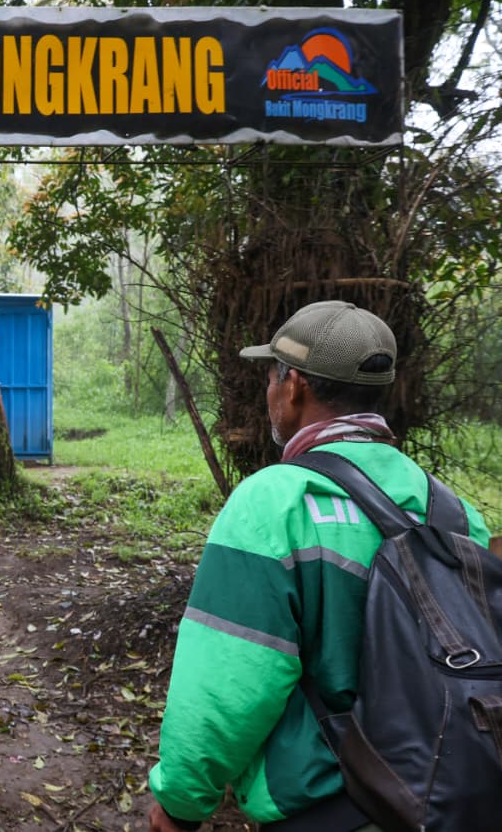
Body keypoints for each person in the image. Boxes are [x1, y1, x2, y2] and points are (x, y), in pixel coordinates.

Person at [147, 301, 491, 832]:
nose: (269, 391)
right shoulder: (454, 512)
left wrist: (180, 804)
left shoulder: (275, 503)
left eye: (271, 375)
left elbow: (229, 684)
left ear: (295, 386)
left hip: (330, 809)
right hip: (455, 799)